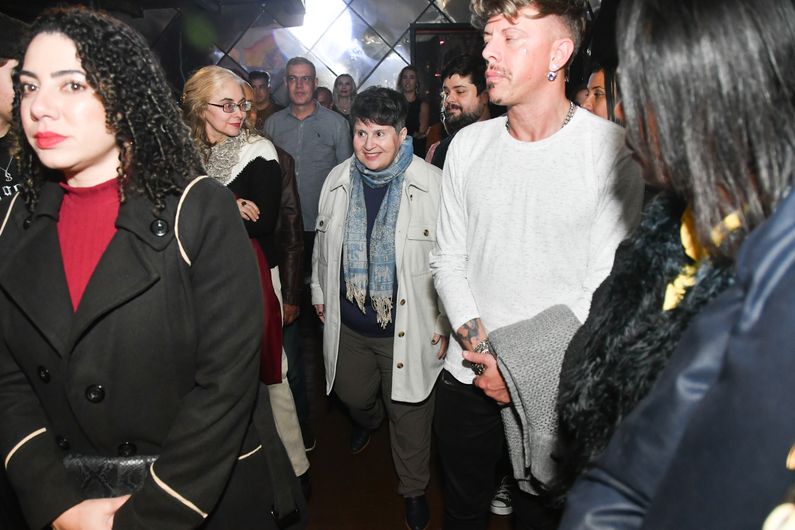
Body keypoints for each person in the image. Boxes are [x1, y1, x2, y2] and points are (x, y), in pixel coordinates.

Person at [0, 8, 305, 530]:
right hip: (70, 500)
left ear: (126, 94)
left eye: (70, 84)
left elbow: (224, 388)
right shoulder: (16, 219)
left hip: (191, 498)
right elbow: (9, 378)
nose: (40, 107)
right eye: (28, 87)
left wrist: (142, 519)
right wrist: (55, 502)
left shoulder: (199, 209)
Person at [558, 0, 795, 528]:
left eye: (644, 91)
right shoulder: (669, 224)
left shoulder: (772, 280)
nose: (623, 113)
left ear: (708, 98)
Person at [428, 0, 643, 527]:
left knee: (541, 517)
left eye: (510, 37)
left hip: (556, 382)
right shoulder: (467, 146)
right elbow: (447, 261)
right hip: (467, 374)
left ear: (558, 53)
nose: (489, 51)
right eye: (489, 38)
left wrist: (515, 367)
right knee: (462, 513)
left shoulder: (612, 151)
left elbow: (602, 288)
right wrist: (485, 357)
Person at [311, 87, 449, 530]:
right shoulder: (337, 180)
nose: (369, 144)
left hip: (407, 326)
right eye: (361, 133)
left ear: (402, 135)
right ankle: (369, 421)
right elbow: (322, 247)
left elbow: (450, 260)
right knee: (352, 395)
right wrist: (318, 292)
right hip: (350, 324)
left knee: (409, 414)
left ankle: (413, 490)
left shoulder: (431, 185)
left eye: (380, 133)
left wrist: (445, 319)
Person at [182, 66, 311, 490]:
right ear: (199, 107)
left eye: (242, 104)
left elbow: (263, 221)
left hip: (251, 277)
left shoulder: (258, 150)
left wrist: (213, 202)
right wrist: (225, 202)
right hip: (195, 281)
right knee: (211, 378)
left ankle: (294, 472)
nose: (239, 113)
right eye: (227, 105)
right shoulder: (183, 154)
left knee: (272, 373)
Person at [425, 54, 491, 169]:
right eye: (446, 93)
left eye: (460, 92)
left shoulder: (505, 143)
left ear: (485, 96)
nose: (449, 99)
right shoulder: (439, 151)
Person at [397, 65, 430, 158]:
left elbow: (422, 132)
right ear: (401, 81)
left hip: (416, 149)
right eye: (405, 77)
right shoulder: (394, 103)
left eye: (411, 77)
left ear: (417, 82)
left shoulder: (423, 105)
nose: (408, 81)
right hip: (396, 147)